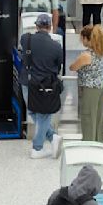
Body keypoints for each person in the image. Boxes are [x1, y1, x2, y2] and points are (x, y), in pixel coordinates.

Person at [19, 14, 63, 159]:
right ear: (50, 27)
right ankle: (51, 137)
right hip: (46, 86)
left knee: (34, 111)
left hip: (28, 82)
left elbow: (23, 50)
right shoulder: (57, 46)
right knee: (43, 114)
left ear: (36, 26)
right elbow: (57, 67)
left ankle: (38, 147)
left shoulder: (26, 39)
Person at [69, 25, 103, 142]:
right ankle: (97, 142)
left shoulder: (86, 55)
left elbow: (72, 67)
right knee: (98, 117)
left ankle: (88, 144)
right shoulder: (102, 52)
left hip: (89, 89)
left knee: (88, 117)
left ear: (87, 39)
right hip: (101, 87)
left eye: (82, 38)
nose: (81, 41)